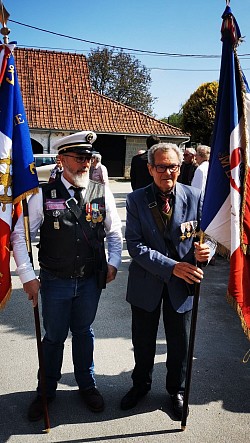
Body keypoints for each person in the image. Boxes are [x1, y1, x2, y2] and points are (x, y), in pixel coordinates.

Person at [11, 130, 123, 421]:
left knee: (84, 333)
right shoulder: (41, 195)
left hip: (89, 281)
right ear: (61, 160)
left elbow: (114, 233)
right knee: (54, 337)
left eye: (89, 158)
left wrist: (113, 264)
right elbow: (21, 237)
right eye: (79, 158)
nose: (85, 163)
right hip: (55, 280)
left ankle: (87, 385)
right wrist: (27, 275)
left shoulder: (101, 192)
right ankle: (46, 390)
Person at [120, 143, 215, 420]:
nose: (167, 172)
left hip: (183, 285)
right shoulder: (136, 199)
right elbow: (136, 247)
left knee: (180, 343)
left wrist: (205, 250)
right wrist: (173, 267)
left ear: (180, 167)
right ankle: (140, 386)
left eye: (172, 166)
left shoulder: (195, 196)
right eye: (160, 166)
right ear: (150, 169)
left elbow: (205, 235)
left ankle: (177, 390)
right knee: (143, 341)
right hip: (147, 282)